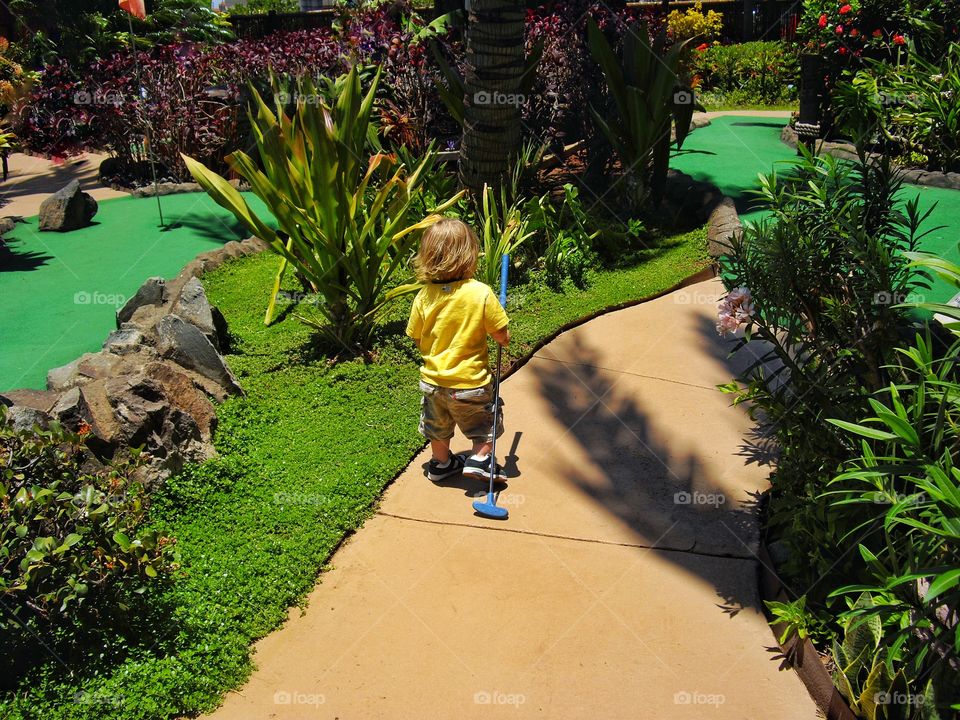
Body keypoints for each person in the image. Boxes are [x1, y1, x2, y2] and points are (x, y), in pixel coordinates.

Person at [406, 218, 510, 482]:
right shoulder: (481, 293)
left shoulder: (424, 296)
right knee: (484, 425)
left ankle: (441, 464)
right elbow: (502, 337)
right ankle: (481, 459)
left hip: (433, 382)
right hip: (470, 384)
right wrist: (501, 328)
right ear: (469, 255)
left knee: (437, 427)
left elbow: (418, 337)